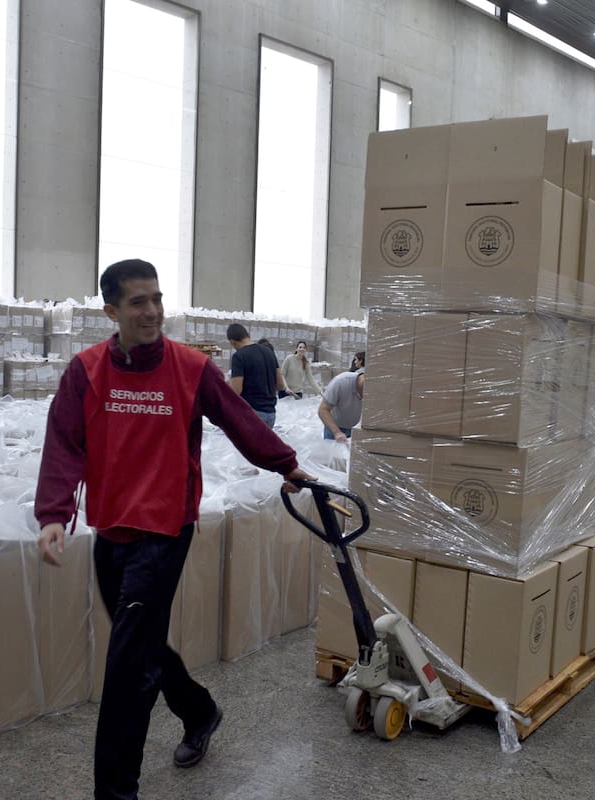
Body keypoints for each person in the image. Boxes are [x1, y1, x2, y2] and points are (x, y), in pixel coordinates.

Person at [34, 259, 313, 800]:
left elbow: (239, 419)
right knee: (140, 645)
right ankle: (200, 710)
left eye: (157, 299)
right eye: (138, 302)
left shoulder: (190, 368)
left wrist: (286, 464)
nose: (152, 311)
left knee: (124, 671)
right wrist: (53, 513)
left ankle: (116, 793)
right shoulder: (87, 370)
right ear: (111, 311)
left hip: (165, 530)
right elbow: (65, 442)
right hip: (111, 527)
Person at [227, 323, 284, 428]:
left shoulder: (238, 356)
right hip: (271, 413)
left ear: (232, 342)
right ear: (248, 336)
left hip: (252, 413)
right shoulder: (269, 352)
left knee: (246, 444)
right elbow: (280, 384)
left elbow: (236, 390)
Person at [319, 356, 365, 442]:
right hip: (334, 427)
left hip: (354, 430)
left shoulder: (375, 392)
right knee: (333, 454)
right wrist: (337, 432)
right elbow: (323, 410)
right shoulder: (341, 382)